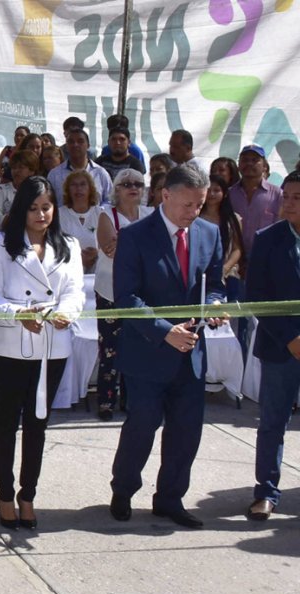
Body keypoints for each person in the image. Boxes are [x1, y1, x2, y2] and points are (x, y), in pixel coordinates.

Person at [110, 164, 226, 529]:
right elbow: (126, 298)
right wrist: (164, 330)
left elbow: (217, 283)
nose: (194, 213)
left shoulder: (209, 233)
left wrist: (218, 305)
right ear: (166, 196)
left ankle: (170, 499)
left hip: (191, 354)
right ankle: (123, 490)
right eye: (188, 205)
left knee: (186, 430)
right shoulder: (135, 236)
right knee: (142, 426)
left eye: (199, 205)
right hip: (148, 353)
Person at [0, 176, 85, 531]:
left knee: (38, 424)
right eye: (33, 208)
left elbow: (75, 293)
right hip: (10, 345)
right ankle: (5, 494)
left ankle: (29, 495)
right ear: (21, 209)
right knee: (6, 423)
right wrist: (16, 315)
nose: (41, 215)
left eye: (47, 208)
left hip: (52, 347)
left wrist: (65, 313)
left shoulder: (67, 244)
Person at [243, 170, 300, 522]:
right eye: (287, 197)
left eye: (297, 198)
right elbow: (257, 297)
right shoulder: (267, 239)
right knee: (272, 421)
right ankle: (266, 491)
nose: (288, 203)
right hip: (282, 347)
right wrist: (292, 339)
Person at [94, 168, 154, 421]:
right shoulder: (105, 214)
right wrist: (139, 247)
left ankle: (133, 401)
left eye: (139, 184)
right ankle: (106, 401)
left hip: (142, 291)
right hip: (110, 291)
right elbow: (110, 249)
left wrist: (126, 243)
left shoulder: (151, 214)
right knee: (110, 349)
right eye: (127, 183)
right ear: (116, 189)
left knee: (141, 347)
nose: (134, 187)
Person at [200, 175, 244, 302]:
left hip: (228, 274)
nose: (211, 194)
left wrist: (224, 268)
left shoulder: (233, 218)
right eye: (208, 190)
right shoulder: (195, 218)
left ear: (224, 193)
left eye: (216, 190)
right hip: (202, 273)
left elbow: (237, 249)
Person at [231, 144, 281, 256]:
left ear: (264, 166)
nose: (249, 163)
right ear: (238, 165)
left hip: (267, 258)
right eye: (245, 160)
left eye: (255, 160)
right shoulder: (229, 194)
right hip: (234, 261)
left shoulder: (277, 195)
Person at [47, 129, 113, 211]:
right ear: (66, 146)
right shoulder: (54, 175)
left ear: (88, 145)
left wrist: (97, 213)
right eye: (71, 142)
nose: (75, 145)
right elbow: (48, 202)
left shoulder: (101, 173)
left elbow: (110, 201)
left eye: (80, 141)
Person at [58, 170, 104, 273]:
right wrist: (78, 259)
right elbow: (55, 247)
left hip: (98, 273)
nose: (78, 189)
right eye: (73, 185)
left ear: (90, 189)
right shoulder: (59, 215)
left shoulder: (101, 214)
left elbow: (110, 245)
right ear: (68, 190)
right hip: (69, 272)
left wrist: (98, 254)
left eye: (83, 184)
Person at [0, 150, 38, 233]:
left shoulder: (37, 193)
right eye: (14, 168)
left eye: (21, 167)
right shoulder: (1, 189)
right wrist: (7, 222)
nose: (16, 171)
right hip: (0, 238)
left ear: (31, 171)